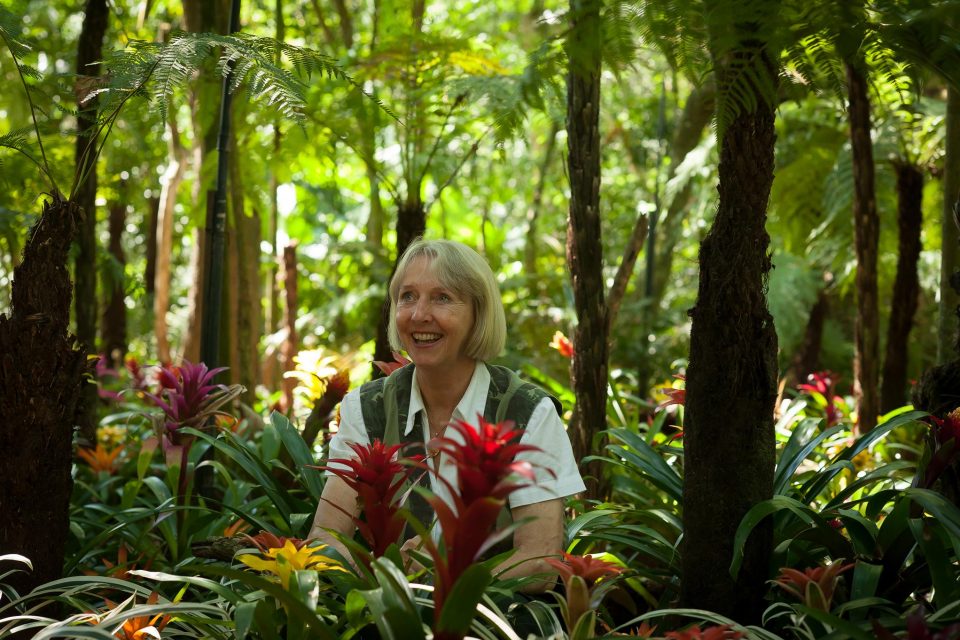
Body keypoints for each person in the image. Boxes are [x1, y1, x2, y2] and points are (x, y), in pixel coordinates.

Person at [309, 238, 585, 592]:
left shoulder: (528, 412)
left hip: (496, 622)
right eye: (408, 296)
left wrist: (447, 578)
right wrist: (383, 582)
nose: (418, 314)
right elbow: (325, 536)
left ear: (478, 313)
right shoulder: (366, 408)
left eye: (442, 297)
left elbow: (540, 559)